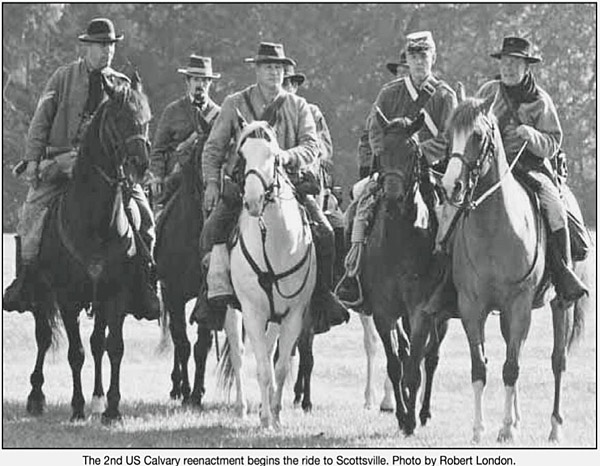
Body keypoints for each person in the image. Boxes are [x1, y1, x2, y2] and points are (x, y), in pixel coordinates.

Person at [3, 18, 159, 318]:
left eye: (111, 46)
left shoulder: (124, 86)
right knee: (30, 217)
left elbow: (138, 126)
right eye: (101, 45)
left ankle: (145, 286)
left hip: (112, 172)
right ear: (86, 46)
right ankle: (23, 284)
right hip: (60, 162)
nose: (107, 51)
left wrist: (137, 163)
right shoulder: (62, 78)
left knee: (146, 220)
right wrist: (35, 161)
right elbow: (41, 121)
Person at [192, 42, 349, 332]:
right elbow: (213, 149)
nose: (274, 72)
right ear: (257, 70)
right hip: (243, 186)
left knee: (327, 233)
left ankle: (323, 296)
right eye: (268, 67)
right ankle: (211, 296)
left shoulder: (298, 105)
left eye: (278, 67)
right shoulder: (234, 103)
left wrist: (286, 156)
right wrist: (213, 182)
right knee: (212, 230)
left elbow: (312, 146)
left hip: (289, 186)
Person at [337, 31, 457, 303]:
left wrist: (417, 155)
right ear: (407, 58)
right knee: (356, 209)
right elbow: (373, 130)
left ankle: (451, 282)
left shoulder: (444, 95)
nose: (418, 61)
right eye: (413, 55)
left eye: (423, 55)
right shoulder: (390, 93)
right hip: (392, 172)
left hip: (433, 172)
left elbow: (448, 139)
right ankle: (352, 276)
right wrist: (391, 157)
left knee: (453, 217)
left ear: (433, 58)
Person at [476, 36, 588, 304]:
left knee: (554, 207)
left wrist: (531, 135)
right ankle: (446, 275)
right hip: (489, 168)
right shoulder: (488, 92)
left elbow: (552, 143)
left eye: (515, 62)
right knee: (455, 202)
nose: (508, 67)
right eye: (505, 61)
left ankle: (563, 273)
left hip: (529, 167)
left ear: (527, 67)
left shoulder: (540, 99)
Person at [148, 55, 221, 210]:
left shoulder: (220, 115)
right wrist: (157, 176)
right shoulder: (172, 111)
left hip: (208, 179)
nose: (200, 84)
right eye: (195, 80)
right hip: (175, 180)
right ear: (188, 82)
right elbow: (158, 150)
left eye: (204, 80)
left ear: (210, 83)